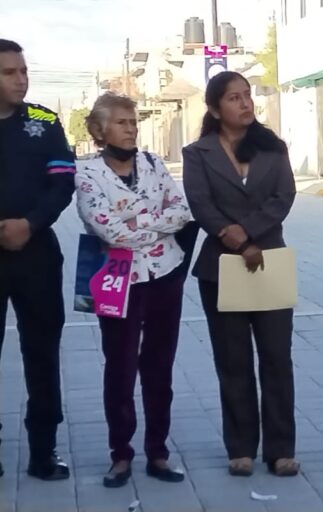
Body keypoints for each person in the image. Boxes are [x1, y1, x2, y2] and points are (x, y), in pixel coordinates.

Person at [181, 71, 299, 478]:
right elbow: (201, 204)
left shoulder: (273, 148)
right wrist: (233, 239)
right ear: (215, 109)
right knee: (233, 362)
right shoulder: (198, 154)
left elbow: (284, 197)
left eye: (247, 96)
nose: (245, 104)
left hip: (269, 262)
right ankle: (241, 447)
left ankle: (281, 448)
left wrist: (248, 233)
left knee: (277, 359)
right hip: (221, 268)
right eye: (234, 98)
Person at [74, 93, 192, 487]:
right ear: (99, 129)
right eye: (122, 122)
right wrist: (154, 221)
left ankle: (158, 451)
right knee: (120, 368)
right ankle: (120, 454)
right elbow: (106, 228)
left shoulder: (154, 163)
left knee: (160, 367)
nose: (131, 128)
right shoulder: (87, 174)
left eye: (133, 122)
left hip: (165, 274)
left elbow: (181, 210)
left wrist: (138, 222)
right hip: (116, 278)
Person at [0, 38, 76, 481]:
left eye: (23, 70)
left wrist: (29, 224)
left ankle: (43, 451)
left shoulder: (44, 122)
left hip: (37, 256)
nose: (21, 79)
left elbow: (62, 183)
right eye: (10, 72)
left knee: (42, 354)